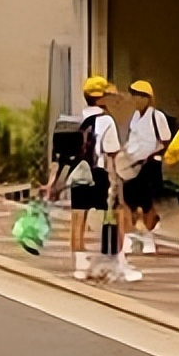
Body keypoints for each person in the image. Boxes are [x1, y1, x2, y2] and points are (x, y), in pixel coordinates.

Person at [45, 76, 140, 282]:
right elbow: (112, 153)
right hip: (99, 174)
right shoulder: (106, 121)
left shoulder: (76, 121)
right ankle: (117, 261)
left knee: (78, 218)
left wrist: (54, 183)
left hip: (79, 173)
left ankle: (80, 265)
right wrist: (116, 183)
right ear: (101, 98)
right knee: (114, 216)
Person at [121, 80, 172, 255]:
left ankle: (148, 237)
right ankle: (136, 233)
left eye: (138, 95)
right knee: (131, 200)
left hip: (151, 163)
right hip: (133, 163)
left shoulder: (157, 117)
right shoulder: (134, 118)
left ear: (147, 98)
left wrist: (151, 155)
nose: (134, 99)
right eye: (133, 95)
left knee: (147, 201)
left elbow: (165, 140)